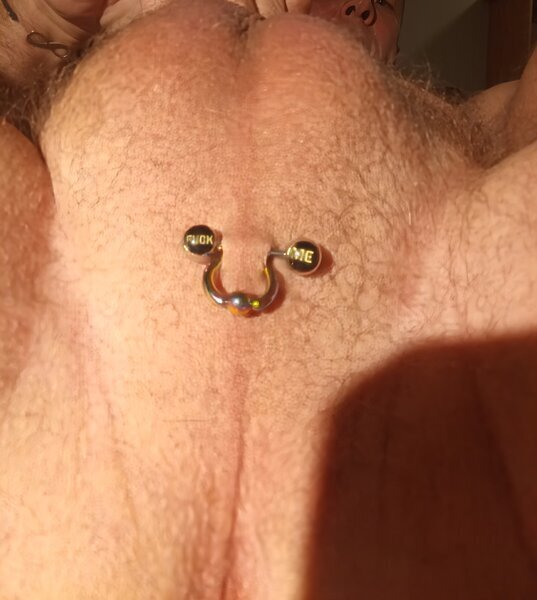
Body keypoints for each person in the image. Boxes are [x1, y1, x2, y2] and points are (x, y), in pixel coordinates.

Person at [1, 0, 537, 598]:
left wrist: (41, 25)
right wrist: (45, 25)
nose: (362, 3)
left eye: (386, 5)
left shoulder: (477, 124)